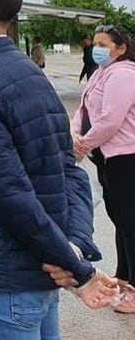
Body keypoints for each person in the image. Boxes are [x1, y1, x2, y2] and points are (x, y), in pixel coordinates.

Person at [0, 0, 118, 339]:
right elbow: (70, 172)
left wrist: (77, 267)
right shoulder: (31, 74)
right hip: (38, 275)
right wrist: (73, 247)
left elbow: (9, 194)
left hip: (2, 282)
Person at [68, 25, 135, 313]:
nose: (96, 48)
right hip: (107, 157)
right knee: (122, 222)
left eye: (103, 44)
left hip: (126, 157)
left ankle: (133, 289)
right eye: (95, 43)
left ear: (121, 49)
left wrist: (83, 145)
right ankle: (123, 280)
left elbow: (110, 120)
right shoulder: (100, 73)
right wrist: (74, 137)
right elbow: (82, 111)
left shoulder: (123, 74)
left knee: (131, 225)